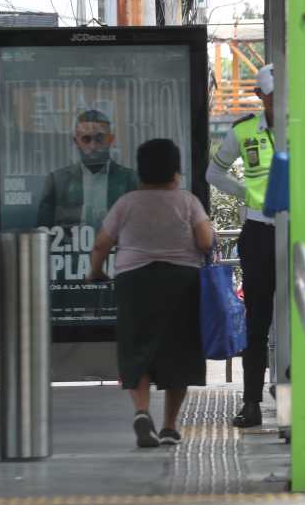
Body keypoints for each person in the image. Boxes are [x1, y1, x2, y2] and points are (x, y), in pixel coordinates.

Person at [88, 138, 213, 448]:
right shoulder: (187, 201)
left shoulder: (127, 203)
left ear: (140, 172)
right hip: (181, 282)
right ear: (176, 172)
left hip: (135, 282)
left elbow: (102, 243)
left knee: (137, 348)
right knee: (179, 352)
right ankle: (170, 426)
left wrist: (96, 271)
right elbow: (206, 241)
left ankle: (142, 412)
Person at [207, 64, 277, 428]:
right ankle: (251, 403)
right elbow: (214, 173)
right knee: (258, 320)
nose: (280, 103)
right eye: (273, 96)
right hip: (261, 232)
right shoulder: (244, 131)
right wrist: (247, 194)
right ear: (262, 97)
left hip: (303, 233)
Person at [38, 109, 139, 230]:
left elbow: (138, 227)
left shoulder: (131, 179)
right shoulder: (57, 181)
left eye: (99, 138)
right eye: (86, 139)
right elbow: (43, 230)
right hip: (70, 248)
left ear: (111, 140)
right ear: (76, 141)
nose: (93, 146)